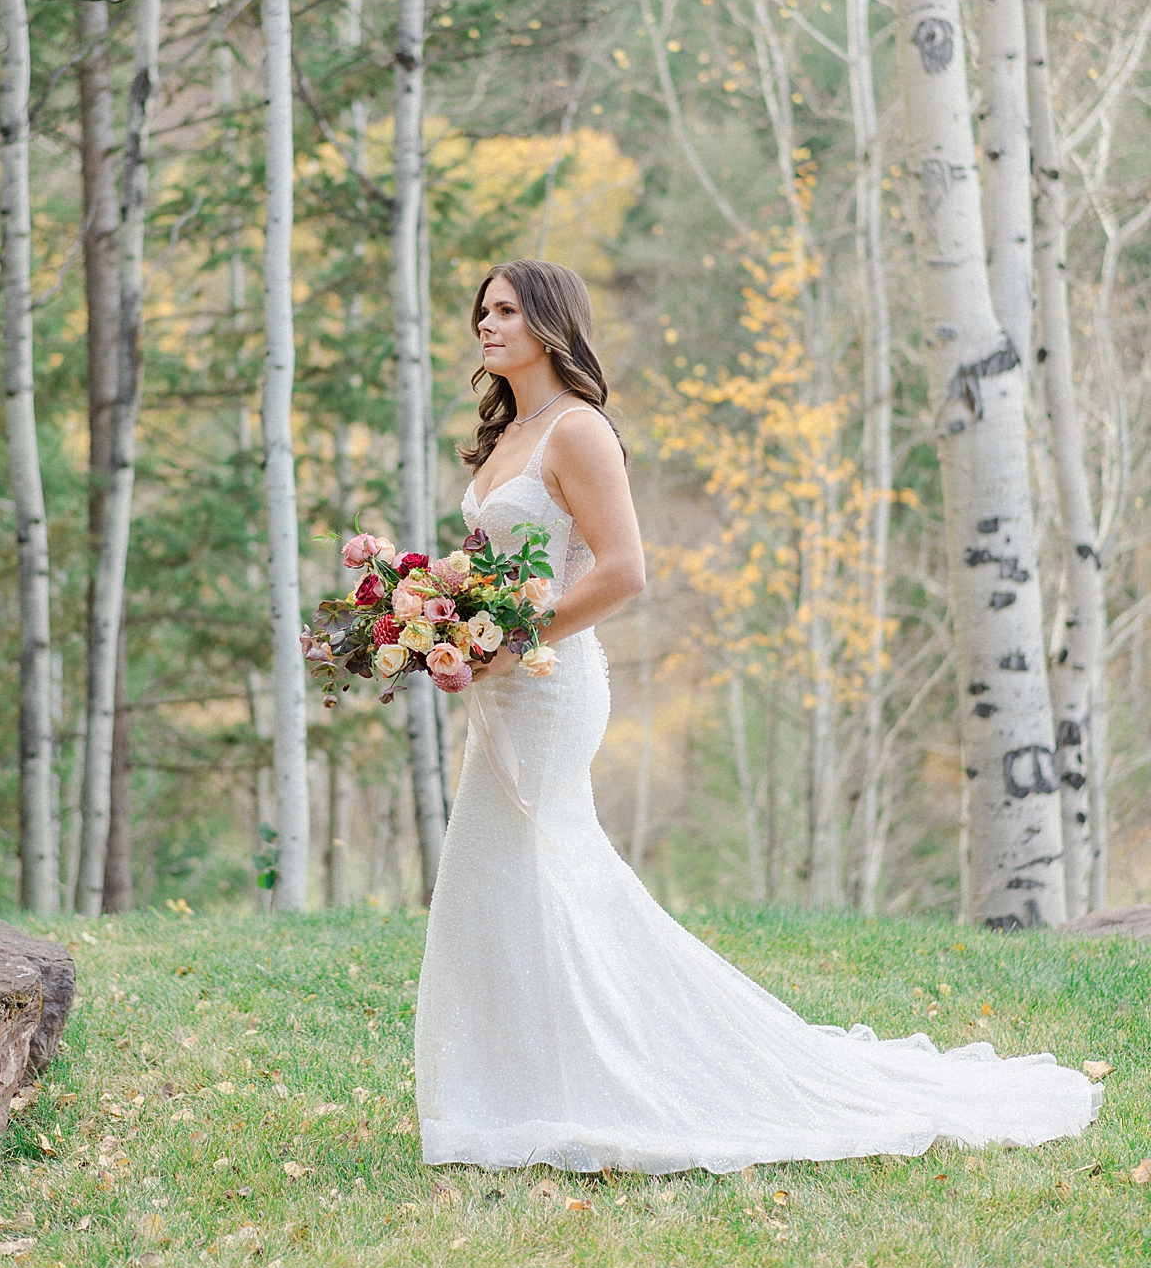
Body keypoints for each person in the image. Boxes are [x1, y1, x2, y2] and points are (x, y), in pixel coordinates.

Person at [413, 259, 1100, 1174]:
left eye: (504, 311)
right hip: (504, 682)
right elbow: (497, 569)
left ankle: (574, 1084)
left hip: (549, 683)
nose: (484, 325)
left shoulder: (576, 433)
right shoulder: (504, 437)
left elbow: (623, 570)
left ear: (548, 323)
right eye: (481, 312)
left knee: (523, 864)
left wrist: (513, 637)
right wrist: (451, 632)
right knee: (506, 873)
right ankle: (519, 1086)